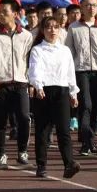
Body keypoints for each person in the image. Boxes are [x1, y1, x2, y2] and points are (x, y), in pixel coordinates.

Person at [27, 15, 81, 179]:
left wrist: (73, 92)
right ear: (43, 31)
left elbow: (70, 72)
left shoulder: (65, 51)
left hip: (62, 91)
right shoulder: (37, 50)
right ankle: (41, 165)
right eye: (48, 27)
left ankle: (69, 164)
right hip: (43, 92)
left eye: (56, 27)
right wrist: (38, 85)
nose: (52, 30)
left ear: (60, 29)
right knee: (43, 130)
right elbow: (35, 69)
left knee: (64, 130)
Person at [0, 0, 32, 169]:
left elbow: (29, 60)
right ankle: (1, 153)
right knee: (1, 120)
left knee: (24, 117)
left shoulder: (26, 35)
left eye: (4, 11)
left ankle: (22, 151)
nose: (0, 14)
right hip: (2, 83)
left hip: (21, 83)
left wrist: (31, 80)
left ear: (15, 14)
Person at [64, 0, 97, 156]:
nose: (91, 8)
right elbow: (68, 52)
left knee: (96, 106)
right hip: (81, 71)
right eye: (87, 5)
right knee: (85, 105)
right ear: (81, 7)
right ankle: (87, 142)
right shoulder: (73, 28)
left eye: (94, 5)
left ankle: (90, 140)